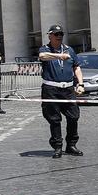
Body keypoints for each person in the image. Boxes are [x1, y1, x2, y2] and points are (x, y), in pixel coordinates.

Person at [38, 25, 84, 159]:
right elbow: (42, 56)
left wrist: (80, 83)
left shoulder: (69, 50)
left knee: (73, 116)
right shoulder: (45, 49)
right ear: (50, 36)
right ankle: (57, 146)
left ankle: (71, 145)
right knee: (54, 119)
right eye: (56, 34)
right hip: (51, 89)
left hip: (68, 89)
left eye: (61, 34)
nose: (59, 36)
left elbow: (77, 67)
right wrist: (59, 56)